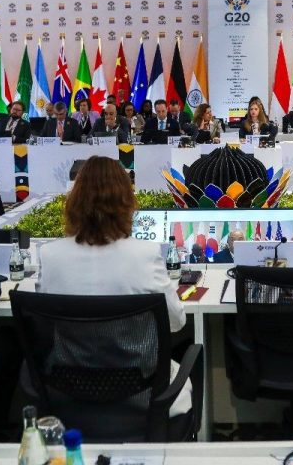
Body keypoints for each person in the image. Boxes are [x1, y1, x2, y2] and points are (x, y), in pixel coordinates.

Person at [37, 156, 192, 417]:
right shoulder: (145, 254)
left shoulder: (50, 255)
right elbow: (176, 322)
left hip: (70, 393)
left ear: (74, 200)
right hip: (141, 393)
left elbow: (44, 324)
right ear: (126, 202)